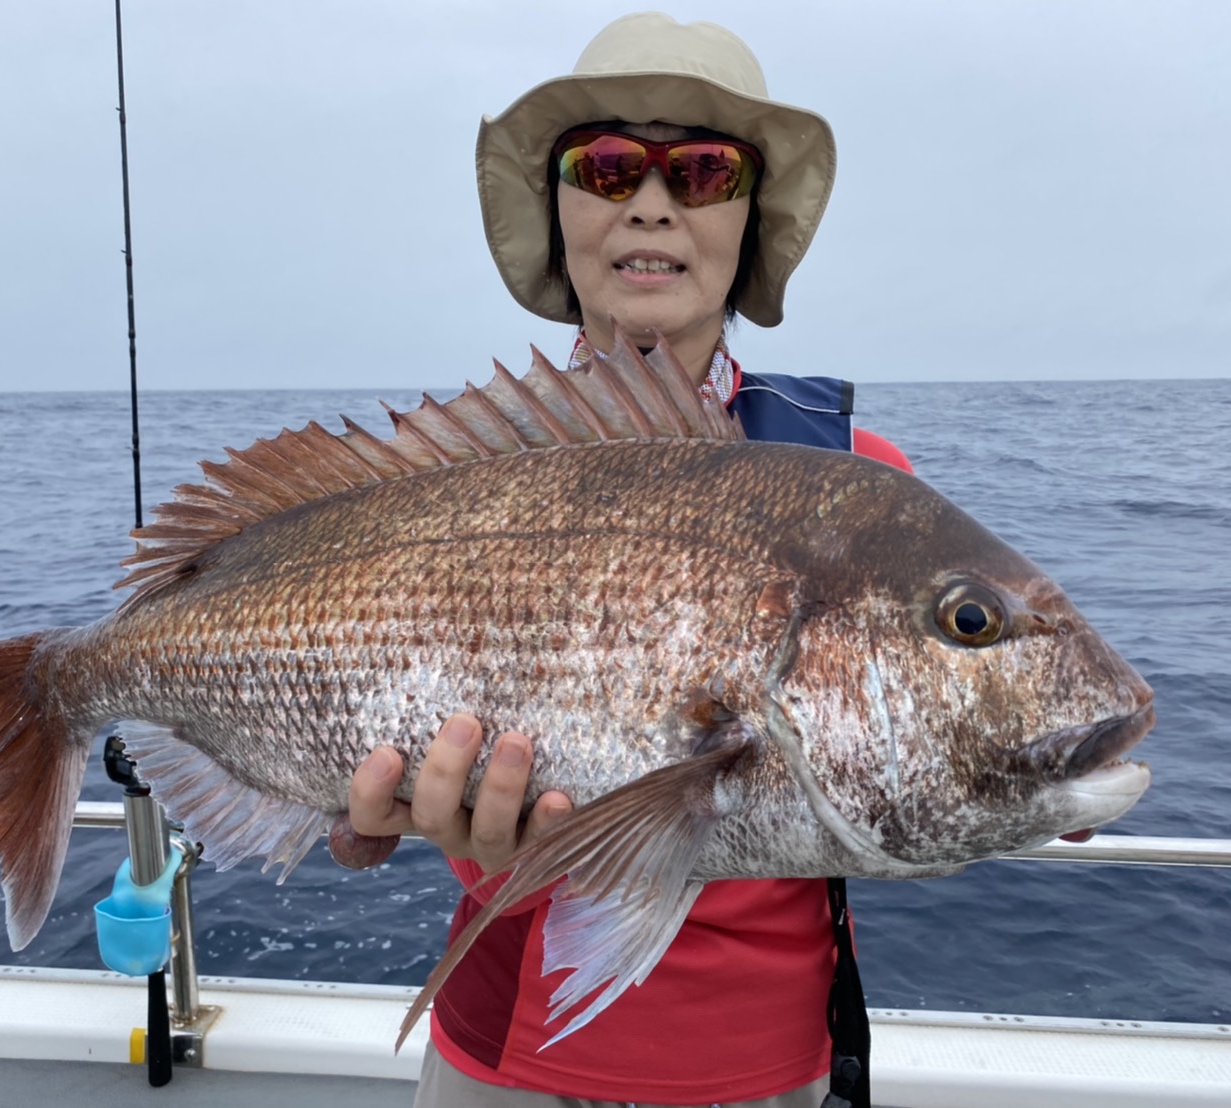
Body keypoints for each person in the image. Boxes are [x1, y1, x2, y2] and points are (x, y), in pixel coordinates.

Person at [348, 13, 908, 1107]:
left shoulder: (854, 480)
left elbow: (974, 723)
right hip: (503, 1041)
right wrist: (360, 818)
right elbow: (349, 818)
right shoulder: (445, 485)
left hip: (765, 1056)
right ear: (556, 217)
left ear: (749, 223)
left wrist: (1040, 751)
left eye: (702, 169)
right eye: (605, 166)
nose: (650, 200)